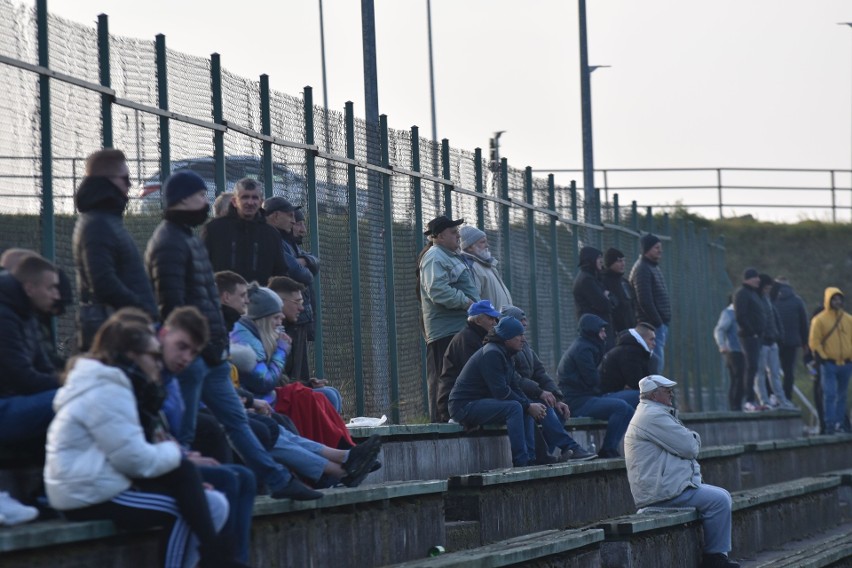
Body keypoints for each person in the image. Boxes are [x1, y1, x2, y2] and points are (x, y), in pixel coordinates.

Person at [145, 170, 320, 501]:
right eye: (199, 196)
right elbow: (172, 302)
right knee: (187, 427)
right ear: (182, 200)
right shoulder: (171, 242)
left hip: (210, 349)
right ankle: (181, 480)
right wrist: (193, 345)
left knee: (236, 420)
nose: (205, 202)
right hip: (195, 352)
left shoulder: (186, 238)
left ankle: (278, 480)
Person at [44, 317, 242, 568]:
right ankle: (216, 555)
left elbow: (129, 455)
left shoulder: (119, 384)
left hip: (104, 482)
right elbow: (134, 460)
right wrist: (174, 452)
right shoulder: (108, 389)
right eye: (152, 355)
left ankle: (217, 555)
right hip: (87, 492)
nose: (157, 361)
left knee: (209, 499)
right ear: (131, 355)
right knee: (187, 503)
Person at [624, 375, 739, 568]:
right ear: (654, 395)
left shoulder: (653, 413)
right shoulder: (652, 415)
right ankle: (715, 559)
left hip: (667, 487)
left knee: (721, 496)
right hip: (662, 492)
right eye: (667, 390)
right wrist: (693, 436)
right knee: (719, 500)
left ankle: (718, 557)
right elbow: (690, 448)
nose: (671, 394)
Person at [231, 283, 358, 452]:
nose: (302, 307)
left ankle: (344, 447)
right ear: (264, 318)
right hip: (262, 399)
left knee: (320, 395)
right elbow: (264, 382)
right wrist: (281, 351)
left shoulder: (264, 333)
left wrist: (306, 383)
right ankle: (340, 450)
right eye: (276, 318)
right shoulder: (247, 338)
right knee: (312, 397)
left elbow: (278, 379)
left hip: (269, 394)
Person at [72, 148, 158, 350]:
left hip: (122, 326)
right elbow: (103, 282)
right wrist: (142, 309)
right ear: (106, 181)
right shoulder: (98, 225)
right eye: (125, 179)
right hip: (116, 331)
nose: (129, 186)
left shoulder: (105, 221)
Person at [502, 305, 597, 461]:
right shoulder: (506, 347)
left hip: (529, 394)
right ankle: (570, 447)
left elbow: (540, 373)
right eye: (521, 324)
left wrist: (557, 397)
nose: (524, 329)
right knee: (544, 406)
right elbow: (515, 379)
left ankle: (545, 453)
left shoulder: (524, 345)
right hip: (516, 396)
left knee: (557, 408)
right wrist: (540, 392)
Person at [448, 317, 545, 467]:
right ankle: (521, 461)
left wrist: (529, 405)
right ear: (506, 337)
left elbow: (515, 387)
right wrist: (527, 405)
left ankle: (531, 459)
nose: (523, 340)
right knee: (515, 407)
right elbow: (501, 392)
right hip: (464, 406)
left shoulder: (507, 354)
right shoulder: (492, 353)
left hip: (481, 403)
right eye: (519, 335)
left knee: (524, 406)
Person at [419, 215, 480, 422]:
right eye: (453, 232)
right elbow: (437, 290)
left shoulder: (451, 255)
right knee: (443, 378)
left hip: (458, 329)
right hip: (446, 331)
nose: (458, 235)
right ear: (438, 236)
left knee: (457, 377)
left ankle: (454, 419)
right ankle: (441, 424)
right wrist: (468, 303)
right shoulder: (435, 256)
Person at [0, 253, 61, 454]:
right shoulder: (4, 318)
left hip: (14, 401)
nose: (57, 295)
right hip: (5, 407)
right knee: (70, 399)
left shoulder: (26, 313)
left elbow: (44, 367)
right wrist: (71, 384)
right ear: (29, 288)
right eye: (51, 287)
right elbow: (24, 379)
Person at [557, 314, 634, 458]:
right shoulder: (583, 350)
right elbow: (592, 379)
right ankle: (607, 449)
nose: (605, 335)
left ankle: (609, 448)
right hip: (577, 401)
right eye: (602, 331)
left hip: (586, 396)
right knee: (621, 407)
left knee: (628, 410)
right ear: (592, 331)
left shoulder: (589, 346)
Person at [267, 276, 342, 414]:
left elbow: (284, 377)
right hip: (270, 396)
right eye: (297, 302)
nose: (302, 308)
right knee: (328, 396)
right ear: (279, 302)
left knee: (332, 393)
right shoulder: (267, 332)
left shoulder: (293, 328)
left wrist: (307, 384)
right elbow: (272, 378)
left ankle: (331, 435)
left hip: (284, 390)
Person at [265, 197, 320, 383]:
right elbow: (300, 274)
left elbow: (312, 262)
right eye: (294, 221)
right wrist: (305, 266)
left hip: (297, 316)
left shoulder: (291, 244)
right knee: (289, 370)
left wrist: (306, 262)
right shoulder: (275, 240)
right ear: (275, 216)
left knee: (297, 371)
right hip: (287, 315)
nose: (299, 227)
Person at [201, 177, 288, 285]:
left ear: (261, 201)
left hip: (258, 299)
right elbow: (201, 268)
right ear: (234, 201)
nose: (250, 202)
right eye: (245, 197)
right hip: (223, 299)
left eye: (255, 198)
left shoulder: (271, 234)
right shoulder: (214, 229)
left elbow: (280, 273)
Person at [437, 300, 502, 423]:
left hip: (469, 400)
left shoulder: (479, 337)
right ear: (478, 320)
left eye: (495, 319)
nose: (495, 323)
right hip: (455, 405)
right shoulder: (467, 340)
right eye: (490, 319)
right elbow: (480, 376)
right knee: (513, 407)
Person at [809, 287, 852, 434]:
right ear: (828, 300)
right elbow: (814, 341)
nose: (837, 301)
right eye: (834, 298)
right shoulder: (819, 320)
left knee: (842, 395)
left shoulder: (848, 319)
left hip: (846, 363)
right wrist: (823, 355)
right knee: (830, 394)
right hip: (829, 364)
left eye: (839, 298)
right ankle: (829, 425)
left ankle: (840, 424)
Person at [629, 233, 671, 372]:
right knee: (655, 362)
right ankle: (654, 391)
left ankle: (656, 390)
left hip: (658, 324)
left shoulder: (652, 266)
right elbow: (644, 299)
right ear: (647, 249)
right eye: (656, 247)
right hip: (651, 325)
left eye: (660, 247)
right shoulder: (642, 269)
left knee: (657, 360)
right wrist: (657, 322)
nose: (660, 250)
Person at [754, 274, 794, 410]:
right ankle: (764, 401)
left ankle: (782, 400)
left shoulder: (767, 299)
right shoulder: (756, 299)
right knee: (760, 373)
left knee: (775, 373)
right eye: (766, 288)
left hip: (772, 341)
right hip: (762, 342)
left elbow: (774, 318)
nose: (768, 291)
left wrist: (779, 335)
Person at [599, 323, 658, 402]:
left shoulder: (636, 351)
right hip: (607, 395)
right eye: (651, 339)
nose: (654, 344)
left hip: (614, 393)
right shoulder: (630, 353)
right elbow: (636, 383)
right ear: (641, 339)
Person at [772, 276, 809, 402]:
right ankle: (787, 398)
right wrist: (805, 343)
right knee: (789, 372)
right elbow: (804, 324)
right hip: (792, 342)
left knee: (773, 371)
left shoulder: (770, 300)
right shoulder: (797, 301)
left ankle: (774, 397)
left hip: (774, 341)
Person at [733, 268, 766, 412]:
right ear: (747, 279)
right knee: (750, 367)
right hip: (749, 337)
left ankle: (752, 400)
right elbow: (741, 315)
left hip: (757, 337)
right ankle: (749, 400)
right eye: (755, 277)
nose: (758, 280)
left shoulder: (754, 293)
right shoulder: (742, 294)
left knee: (755, 367)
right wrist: (751, 332)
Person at [458, 225, 512, 311]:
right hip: (490, 323)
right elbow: (474, 302)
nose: (487, 245)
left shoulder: (486, 264)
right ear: (469, 247)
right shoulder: (471, 267)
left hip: (498, 322)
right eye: (483, 242)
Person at [714, 296, 745, 411]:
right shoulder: (729, 313)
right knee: (737, 379)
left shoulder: (742, 313)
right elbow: (719, 330)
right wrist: (722, 345)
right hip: (733, 351)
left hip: (742, 351)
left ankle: (738, 405)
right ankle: (735, 407)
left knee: (740, 379)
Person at [573, 247, 612, 336]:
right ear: (591, 259)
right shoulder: (586, 280)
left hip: (597, 327)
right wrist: (607, 299)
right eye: (598, 258)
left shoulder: (593, 277)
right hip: (594, 329)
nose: (601, 261)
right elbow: (604, 304)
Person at [602, 248, 636, 334]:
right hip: (616, 331)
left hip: (630, 329)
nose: (623, 264)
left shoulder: (624, 282)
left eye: (624, 260)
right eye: (619, 261)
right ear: (610, 263)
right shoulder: (603, 282)